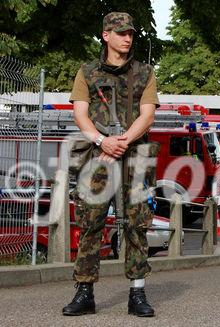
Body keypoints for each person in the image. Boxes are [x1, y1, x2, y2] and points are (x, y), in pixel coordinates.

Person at [63, 12, 159, 317]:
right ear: (106, 35)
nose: (128, 38)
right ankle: (85, 292)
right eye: (121, 33)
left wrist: (122, 141)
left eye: (130, 33)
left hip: (134, 156)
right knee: (90, 221)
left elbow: (147, 115)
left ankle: (137, 293)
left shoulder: (145, 73)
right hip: (98, 155)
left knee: (137, 224)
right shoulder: (87, 72)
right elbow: (80, 113)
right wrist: (101, 140)